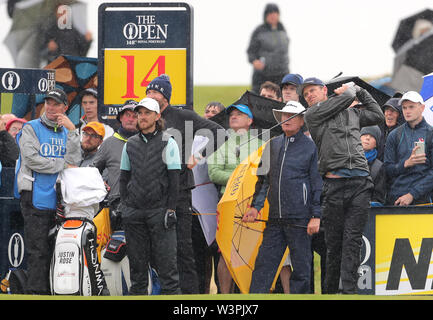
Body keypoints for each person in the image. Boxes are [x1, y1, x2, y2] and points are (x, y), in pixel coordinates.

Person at [302, 77, 384, 294]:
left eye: (312, 90)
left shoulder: (352, 113)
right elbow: (347, 96)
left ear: (323, 90)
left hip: (360, 182)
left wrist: (360, 91)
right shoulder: (312, 114)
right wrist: (351, 90)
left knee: (352, 241)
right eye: (305, 94)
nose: (308, 95)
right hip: (334, 184)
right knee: (334, 244)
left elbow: (378, 114)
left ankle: (348, 293)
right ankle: (329, 292)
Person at [146, 74, 224, 294]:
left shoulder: (183, 116)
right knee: (157, 249)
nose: (151, 95)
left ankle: (189, 296)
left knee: (183, 248)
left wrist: (198, 155)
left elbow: (219, 133)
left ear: (165, 96)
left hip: (180, 190)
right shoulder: (146, 118)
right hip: (154, 191)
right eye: (148, 92)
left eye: (155, 92)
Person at [243, 100, 322, 294]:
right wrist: (255, 206)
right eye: (284, 116)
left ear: (302, 121)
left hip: (300, 218)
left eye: (292, 116)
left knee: (302, 269)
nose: (287, 119)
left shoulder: (311, 147)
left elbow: (316, 183)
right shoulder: (273, 145)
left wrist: (316, 215)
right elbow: (263, 180)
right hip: (275, 219)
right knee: (263, 265)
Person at [15, 88, 81, 294]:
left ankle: (55, 291)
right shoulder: (30, 128)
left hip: (60, 200)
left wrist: (72, 131)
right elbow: (32, 159)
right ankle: (36, 293)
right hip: (34, 196)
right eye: (48, 103)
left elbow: (75, 161)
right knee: (38, 250)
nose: (51, 107)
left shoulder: (66, 131)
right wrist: (61, 164)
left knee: (56, 250)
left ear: (65, 108)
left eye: (56, 104)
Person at [119, 97, 181, 295]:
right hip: (134, 213)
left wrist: (171, 209)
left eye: (147, 113)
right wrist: (125, 206)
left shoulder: (169, 142)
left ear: (157, 116)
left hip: (160, 211)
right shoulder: (130, 144)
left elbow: (174, 181)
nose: (142, 117)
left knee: (167, 269)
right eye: (139, 113)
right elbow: (123, 178)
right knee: (136, 271)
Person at [207, 103, 263, 293]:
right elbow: (213, 172)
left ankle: (251, 292)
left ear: (250, 121)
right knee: (226, 250)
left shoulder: (261, 144)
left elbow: (264, 174)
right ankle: (225, 295)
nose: (234, 116)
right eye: (232, 114)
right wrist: (238, 179)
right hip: (227, 202)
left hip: (254, 203)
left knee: (253, 250)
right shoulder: (220, 142)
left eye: (240, 114)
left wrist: (242, 179)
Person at [384, 91, 433, 206]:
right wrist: (405, 164)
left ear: (422, 107)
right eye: (404, 108)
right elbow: (387, 169)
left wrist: (412, 194)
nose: (407, 111)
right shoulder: (394, 135)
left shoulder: (431, 134)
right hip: (396, 199)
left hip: (423, 200)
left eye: (411, 107)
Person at [93, 100, 138, 202]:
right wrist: (100, 182)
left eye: (135, 116)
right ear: (121, 118)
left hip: (142, 204)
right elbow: (93, 170)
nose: (131, 119)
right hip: (116, 202)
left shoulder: (146, 142)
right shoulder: (109, 143)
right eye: (127, 115)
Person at [247, 3, 289, 94]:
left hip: (282, 74)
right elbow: (251, 51)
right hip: (263, 76)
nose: (273, 16)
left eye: (275, 13)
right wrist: (254, 61)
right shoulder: (259, 31)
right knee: (260, 101)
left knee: (281, 103)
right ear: (265, 15)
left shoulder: (282, 29)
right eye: (270, 13)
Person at [361, 125, 386, 204]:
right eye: (365, 135)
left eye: (372, 136)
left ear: (376, 144)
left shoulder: (379, 167)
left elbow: (378, 197)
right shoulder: (348, 160)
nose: (367, 138)